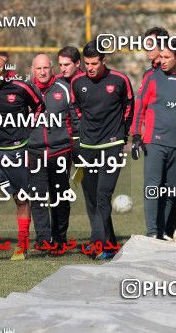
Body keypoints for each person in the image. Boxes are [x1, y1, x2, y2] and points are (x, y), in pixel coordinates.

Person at [0, 56, 44, 261]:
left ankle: (22, 246)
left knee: (20, 199)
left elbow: (40, 106)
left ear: (5, 72)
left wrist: (28, 129)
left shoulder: (22, 87)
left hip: (16, 152)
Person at [70, 41, 134, 259]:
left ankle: (102, 245)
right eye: (87, 63)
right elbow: (74, 107)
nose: (90, 67)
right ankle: (109, 241)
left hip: (112, 145)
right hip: (87, 147)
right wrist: (79, 136)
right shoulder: (78, 82)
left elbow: (129, 106)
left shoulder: (120, 80)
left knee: (103, 195)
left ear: (104, 61)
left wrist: (122, 135)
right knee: (92, 198)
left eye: (94, 63)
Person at [130, 38, 176, 239]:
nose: (162, 61)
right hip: (155, 142)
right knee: (152, 187)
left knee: (170, 191)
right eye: (161, 57)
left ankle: (163, 231)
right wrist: (137, 135)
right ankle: (152, 232)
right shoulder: (152, 78)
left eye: (167, 57)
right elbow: (140, 106)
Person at [28, 54, 72, 255]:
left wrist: (73, 142)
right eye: (39, 69)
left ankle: (60, 238)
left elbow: (75, 117)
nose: (43, 72)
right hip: (34, 152)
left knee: (60, 197)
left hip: (60, 151)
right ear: (32, 70)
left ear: (51, 68)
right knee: (37, 197)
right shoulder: (25, 90)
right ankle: (44, 239)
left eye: (46, 68)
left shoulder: (64, 88)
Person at [57, 46, 82, 165]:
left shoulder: (88, 80)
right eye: (60, 65)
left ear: (77, 63)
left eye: (66, 65)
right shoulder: (55, 82)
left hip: (83, 138)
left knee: (88, 179)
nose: (62, 68)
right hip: (61, 141)